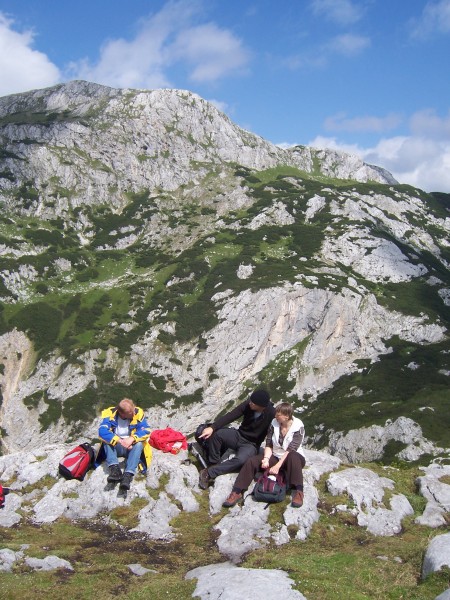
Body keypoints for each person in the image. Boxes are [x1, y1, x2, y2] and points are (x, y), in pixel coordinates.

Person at [222, 402, 306, 508]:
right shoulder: (274, 423)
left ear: (286, 416)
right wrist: (266, 458)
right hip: (275, 455)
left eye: (278, 415)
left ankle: (298, 491)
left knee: (293, 456)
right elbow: (269, 443)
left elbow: (291, 449)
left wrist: (277, 466)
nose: (275, 416)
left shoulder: (298, 426)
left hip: (293, 457)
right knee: (252, 461)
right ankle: (237, 492)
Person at [198, 389, 275, 489]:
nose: (250, 403)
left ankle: (208, 473)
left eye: (253, 403)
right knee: (218, 435)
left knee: (241, 460)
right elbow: (231, 415)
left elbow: (276, 431)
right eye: (250, 401)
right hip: (238, 435)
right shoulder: (248, 404)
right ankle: (213, 463)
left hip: (251, 444)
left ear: (261, 406)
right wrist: (212, 427)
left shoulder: (272, 413)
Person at [97, 398, 152, 490]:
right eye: (131, 412)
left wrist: (132, 439)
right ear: (122, 413)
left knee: (139, 444)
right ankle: (115, 470)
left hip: (131, 447)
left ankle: (128, 475)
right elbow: (102, 431)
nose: (134, 413)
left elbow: (146, 430)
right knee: (106, 441)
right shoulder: (110, 414)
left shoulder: (138, 413)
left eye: (133, 410)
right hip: (117, 446)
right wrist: (120, 441)